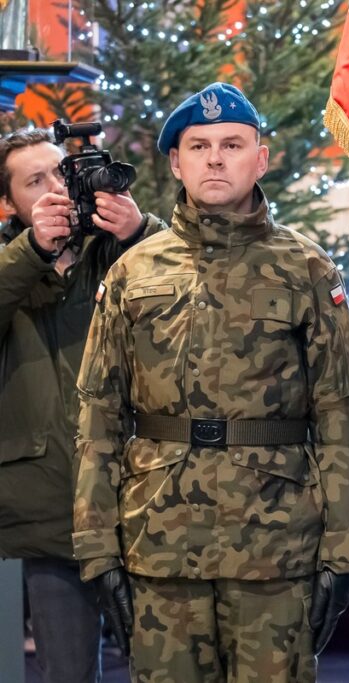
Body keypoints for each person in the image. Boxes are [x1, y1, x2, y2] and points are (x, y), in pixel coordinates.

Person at [73, 82, 349, 682]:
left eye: (232, 144)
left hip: (276, 543)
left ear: (260, 158)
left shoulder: (307, 269)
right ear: (176, 162)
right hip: (159, 540)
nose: (215, 158)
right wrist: (94, 546)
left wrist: (346, 549)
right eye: (199, 145)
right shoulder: (135, 269)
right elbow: (98, 416)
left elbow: (337, 421)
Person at [0, 127, 161, 683]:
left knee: (170, 665)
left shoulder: (116, 252)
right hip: (51, 510)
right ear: (8, 203)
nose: (54, 188)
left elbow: (193, 283)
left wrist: (141, 231)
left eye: (59, 172)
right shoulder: (9, 266)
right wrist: (33, 250)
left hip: (142, 493)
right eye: (34, 180)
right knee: (67, 673)